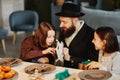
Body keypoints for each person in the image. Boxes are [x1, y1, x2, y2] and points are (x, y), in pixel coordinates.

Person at [55, 2, 98, 68]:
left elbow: (93, 61)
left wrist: (70, 58)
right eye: (60, 21)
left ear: (75, 20)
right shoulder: (64, 30)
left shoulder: (91, 34)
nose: (60, 25)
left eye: (64, 22)